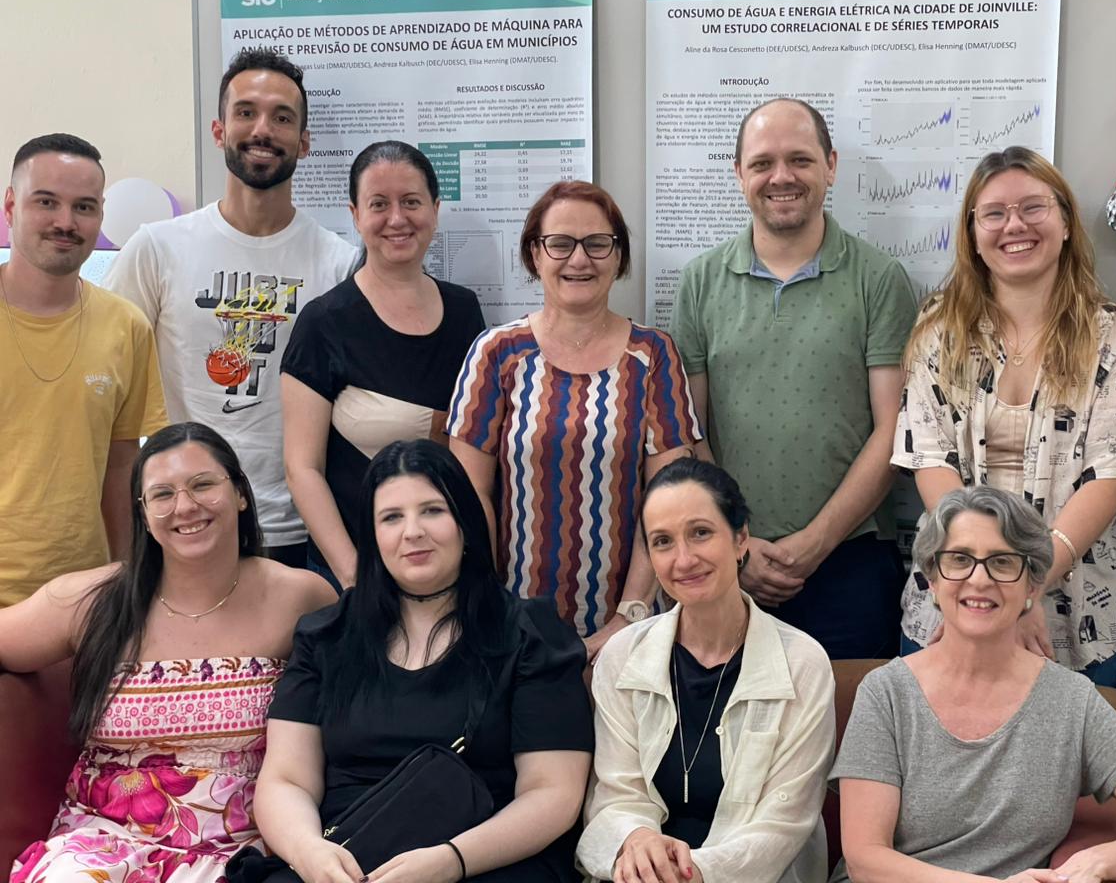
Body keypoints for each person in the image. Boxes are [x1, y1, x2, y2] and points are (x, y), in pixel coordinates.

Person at [2, 422, 336, 883]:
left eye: (202, 484)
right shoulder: (93, 600)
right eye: (162, 494)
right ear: (142, 513)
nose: (185, 506)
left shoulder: (298, 596)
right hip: (101, 844)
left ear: (240, 492)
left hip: (241, 850)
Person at [255, 439, 593, 883]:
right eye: (391, 517)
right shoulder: (326, 637)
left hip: (487, 857)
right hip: (346, 856)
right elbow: (285, 780)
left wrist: (451, 860)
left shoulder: (530, 635)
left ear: (465, 522)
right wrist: (310, 852)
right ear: (372, 537)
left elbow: (553, 793)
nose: (412, 531)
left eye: (432, 510)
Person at [835, 485, 1116, 883]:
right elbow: (865, 859)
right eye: (960, 559)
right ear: (933, 578)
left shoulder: (1072, 701)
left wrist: (1093, 863)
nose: (979, 580)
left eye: (1002, 562)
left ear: (1032, 586)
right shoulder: (886, 693)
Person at [894, 146, 1116, 685]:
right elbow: (930, 460)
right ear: (972, 232)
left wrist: (1024, 587)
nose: (1014, 225)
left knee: (1069, 770)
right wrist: (985, 582)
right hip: (951, 601)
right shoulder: (937, 329)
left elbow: (1113, 475)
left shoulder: (1113, 331)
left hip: (1076, 612)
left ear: (1065, 221)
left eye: (1033, 207)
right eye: (993, 213)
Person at [670, 97, 916, 660]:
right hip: (726, 564)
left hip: (849, 561)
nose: (781, 177)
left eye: (800, 160)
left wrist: (815, 542)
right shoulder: (700, 282)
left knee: (849, 734)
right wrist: (737, 546)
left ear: (830, 165)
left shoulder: (879, 279)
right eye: (762, 163)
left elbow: (892, 431)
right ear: (739, 175)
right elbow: (691, 431)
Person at [104, 47, 359, 572]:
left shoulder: (340, 263)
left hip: (300, 532)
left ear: (304, 142)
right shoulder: (157, 248)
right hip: (184, 522)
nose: (262, 129)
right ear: (220, 130)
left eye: (282, 117)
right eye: (246, 112)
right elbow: (106, 385)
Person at [448, 181, 701, 656]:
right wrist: (496, 611)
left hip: (637, 629)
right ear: (534, 254)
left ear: (619, 256)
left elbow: (671, 502)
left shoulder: (654, 355)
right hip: (515, 629)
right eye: (560, 244)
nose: (579, 260)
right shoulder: (497, 353)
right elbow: (468, 495)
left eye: (598, 243)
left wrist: (628, 618)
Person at [578, 458, 835, 883]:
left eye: (700, 533)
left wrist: (694, 873)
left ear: (740, 540)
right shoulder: (622, 655)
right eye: (662, 542)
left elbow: (783, 825)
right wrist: (638, 842)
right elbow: (615, 796)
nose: (683, 560)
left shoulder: (803, 663)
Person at [281, 141, 485, 587]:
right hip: (354, 569)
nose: (397, 219)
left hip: (445, 566)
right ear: (355, 215)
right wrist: (353, 577)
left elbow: (472, 446)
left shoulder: (466, 311)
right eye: (379, 204)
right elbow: (303, 469)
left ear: (435, 209)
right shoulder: (323, 323)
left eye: (411, 202)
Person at [0, 132, 167, 606]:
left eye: (84, 207)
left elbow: (120, 469)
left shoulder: (127, 327)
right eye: (46, 202)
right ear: (11, 206)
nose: (65, 222)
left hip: (83, 599)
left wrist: (128, 584)